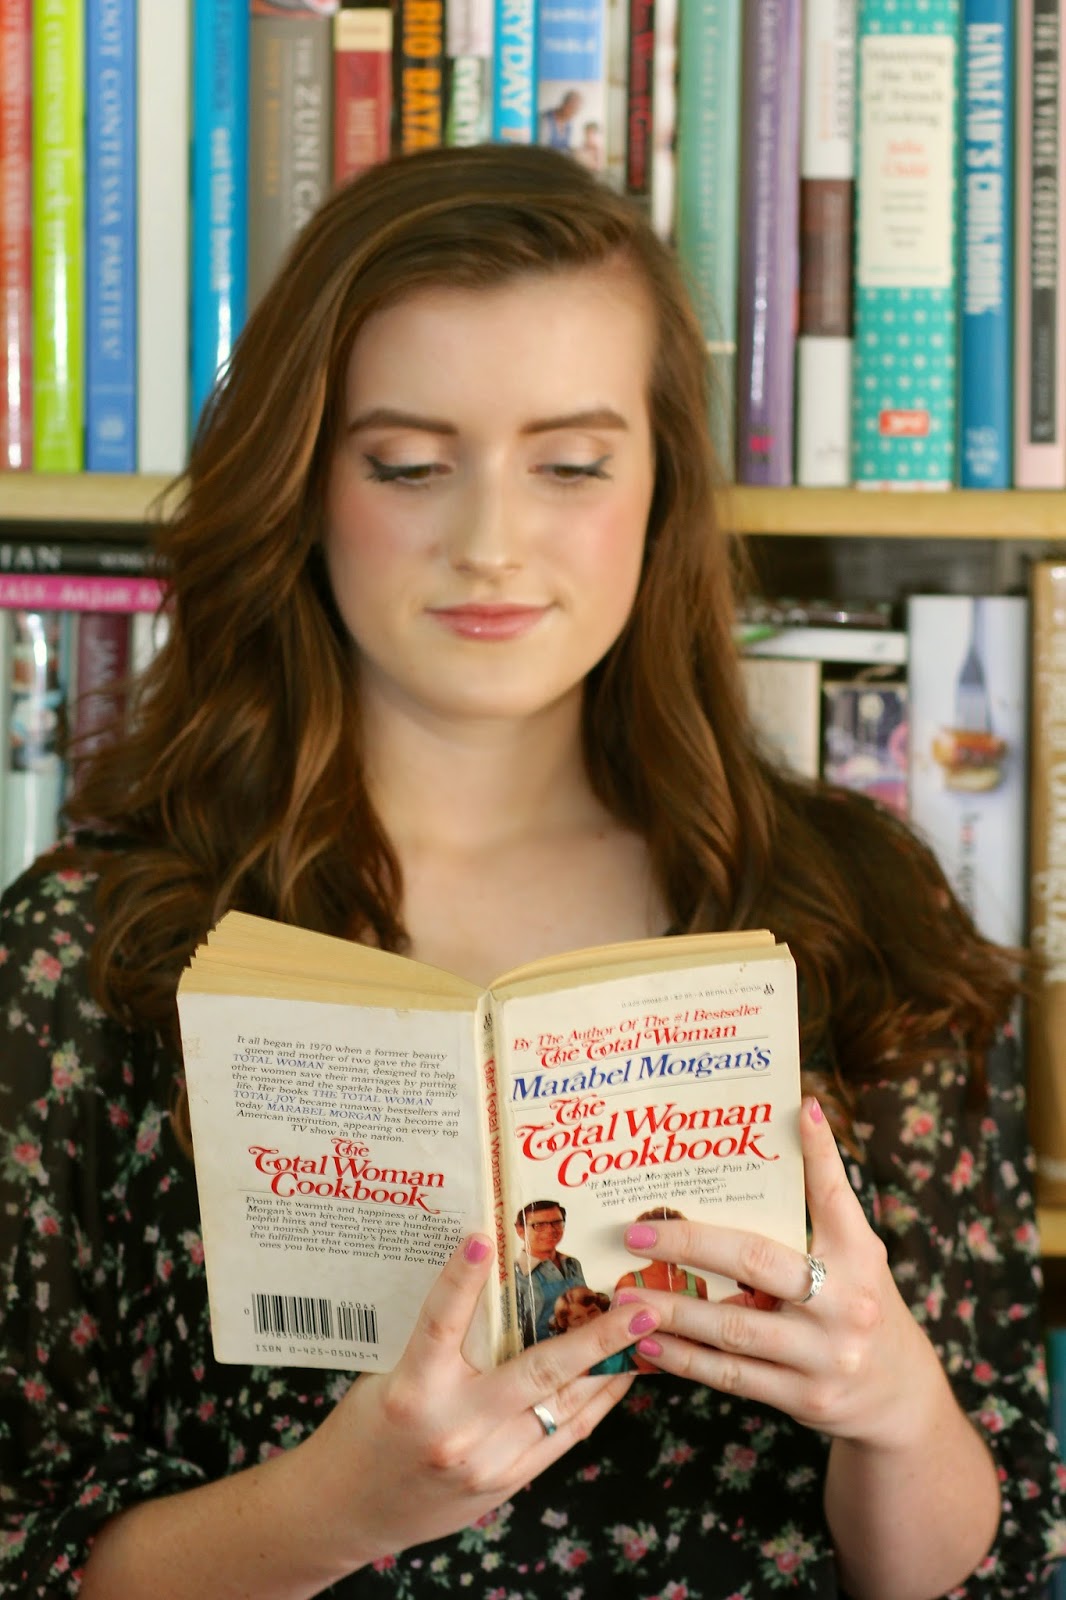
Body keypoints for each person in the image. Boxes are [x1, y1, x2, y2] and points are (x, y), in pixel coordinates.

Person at [0, 142, 1062, 1600]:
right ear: (305, 484)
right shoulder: (88, 952)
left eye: (568, 465)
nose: (490, 543)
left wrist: (890, 1407)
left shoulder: (862, 913)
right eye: (408, 465)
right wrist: (331, 1509)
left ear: (660, 487)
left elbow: (985, 1555)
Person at [513, 1200, 587, 1346]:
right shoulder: (514, 1274)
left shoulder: (572, 1263)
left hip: (583, 1343)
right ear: (520, 1230)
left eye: (556, 1223)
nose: (550, 1230)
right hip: (541, 1352)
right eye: (539, 1225)